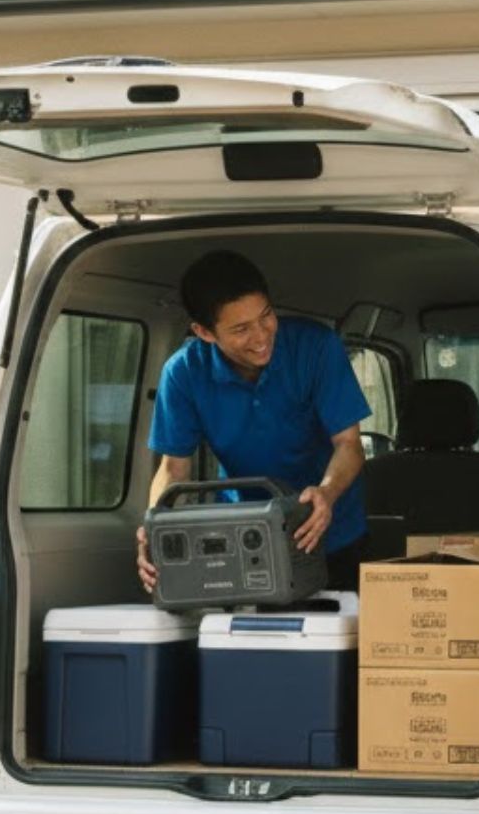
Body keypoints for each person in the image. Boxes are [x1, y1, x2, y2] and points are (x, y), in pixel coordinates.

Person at [136, 250, 372, 591]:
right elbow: (173, 469)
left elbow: (349, 444)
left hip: (331, 531)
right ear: (204, 332)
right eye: (242, 329)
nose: (262, 337)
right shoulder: (183, 373)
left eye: (266, 316)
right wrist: (154, 524)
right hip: (243, 537)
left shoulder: (316, 347)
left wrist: (327, 492)